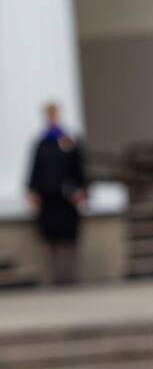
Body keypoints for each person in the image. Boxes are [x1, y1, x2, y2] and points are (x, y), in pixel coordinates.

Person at [27, 103, 87, 286]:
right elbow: (34, 169)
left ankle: (71, 274)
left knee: (69, 236)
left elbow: (78, 168)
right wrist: (33, 190)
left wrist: (82, 189)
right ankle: (56, 276)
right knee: (51, 236)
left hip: (66, 196)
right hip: (48, 196)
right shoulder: (42, 143)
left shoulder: (68, 140)